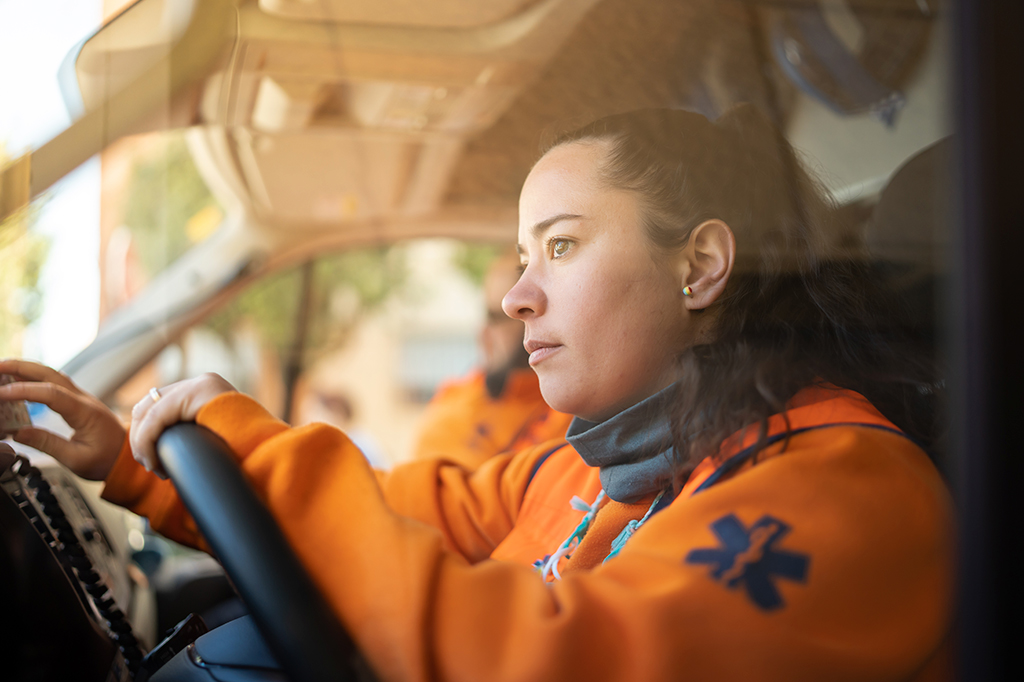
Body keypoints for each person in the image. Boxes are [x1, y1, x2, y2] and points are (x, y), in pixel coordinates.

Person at [0, 105, 952, 681]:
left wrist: (250, 445)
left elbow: (545, 666)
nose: (516, 292)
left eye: (563, 246)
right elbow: (408, 509)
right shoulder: (599, 467)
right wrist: (129, 458)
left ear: (699, 265)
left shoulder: (855, 492)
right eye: (525, 255)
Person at [410, 250, 573, 468]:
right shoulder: (454, 408)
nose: (484, 333)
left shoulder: (577, 412)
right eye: (486, 316)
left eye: (497, 318)